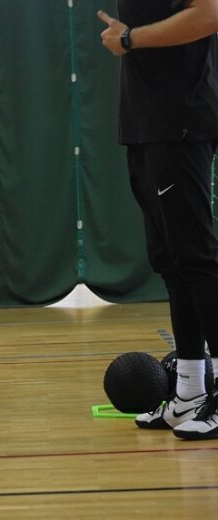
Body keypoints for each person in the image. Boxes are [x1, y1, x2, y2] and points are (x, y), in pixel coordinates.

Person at [98, 0, 218, 440]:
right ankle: (189, 389)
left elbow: (210, 13)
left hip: (181, 121)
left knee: (197, 258)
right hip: (145, 123)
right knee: (171, 260)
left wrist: (130, 38)